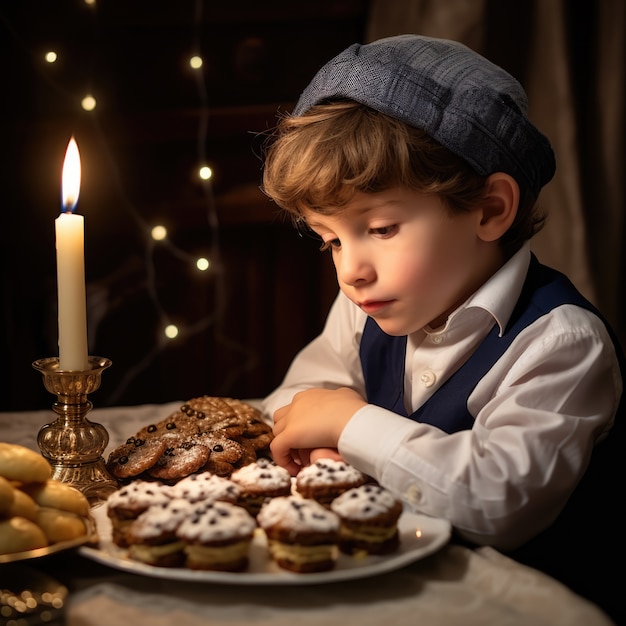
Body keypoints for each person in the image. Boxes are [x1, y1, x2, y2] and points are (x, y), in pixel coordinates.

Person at [260, 35, 622, 621]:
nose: (350, 271)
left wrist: (352, 423)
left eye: (379, 228)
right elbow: (293, 401)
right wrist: (328, 446)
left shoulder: (561, 343)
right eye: (330, 240)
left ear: (489, 209)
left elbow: (498, 500)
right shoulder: (366, 306)